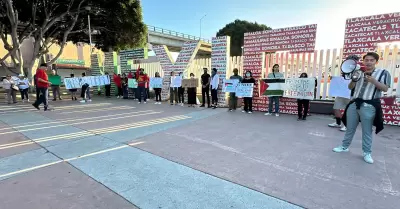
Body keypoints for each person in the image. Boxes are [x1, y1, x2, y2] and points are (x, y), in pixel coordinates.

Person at [332, 52, 392, 164]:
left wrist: (374, 81)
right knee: (350, 127)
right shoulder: (358, 72)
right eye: (367, 60)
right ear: (363, 61)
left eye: (371, 60)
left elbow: (385, 89)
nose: (368, 62)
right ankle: (344, 146)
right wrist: (354, 80)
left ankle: (367, 152)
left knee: (367, 130)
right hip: (354, 103)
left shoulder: (383, 73)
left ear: (376, 62)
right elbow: (350, 87)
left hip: (369, 105)